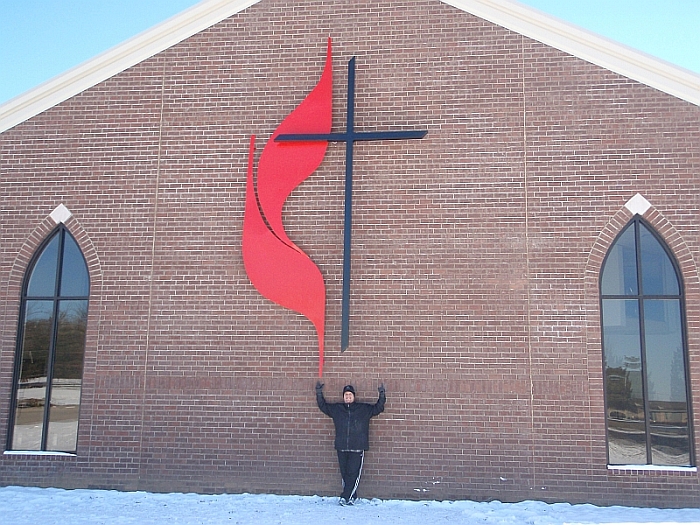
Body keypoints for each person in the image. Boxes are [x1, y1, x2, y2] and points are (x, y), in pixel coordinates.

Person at [315, 381, 386, 506]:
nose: (348, 397)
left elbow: (378, 408)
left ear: (354, 396)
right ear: (343, 397)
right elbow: (323, 407)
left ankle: (345, 496)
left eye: (350, 395)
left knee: (353, 473)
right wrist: (319, 393)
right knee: (345, 473)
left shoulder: (363, 409)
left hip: (357, 447)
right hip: (341, 447)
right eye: (346, 395)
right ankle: (351, 496)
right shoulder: (337, 409)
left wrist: (382, 394)